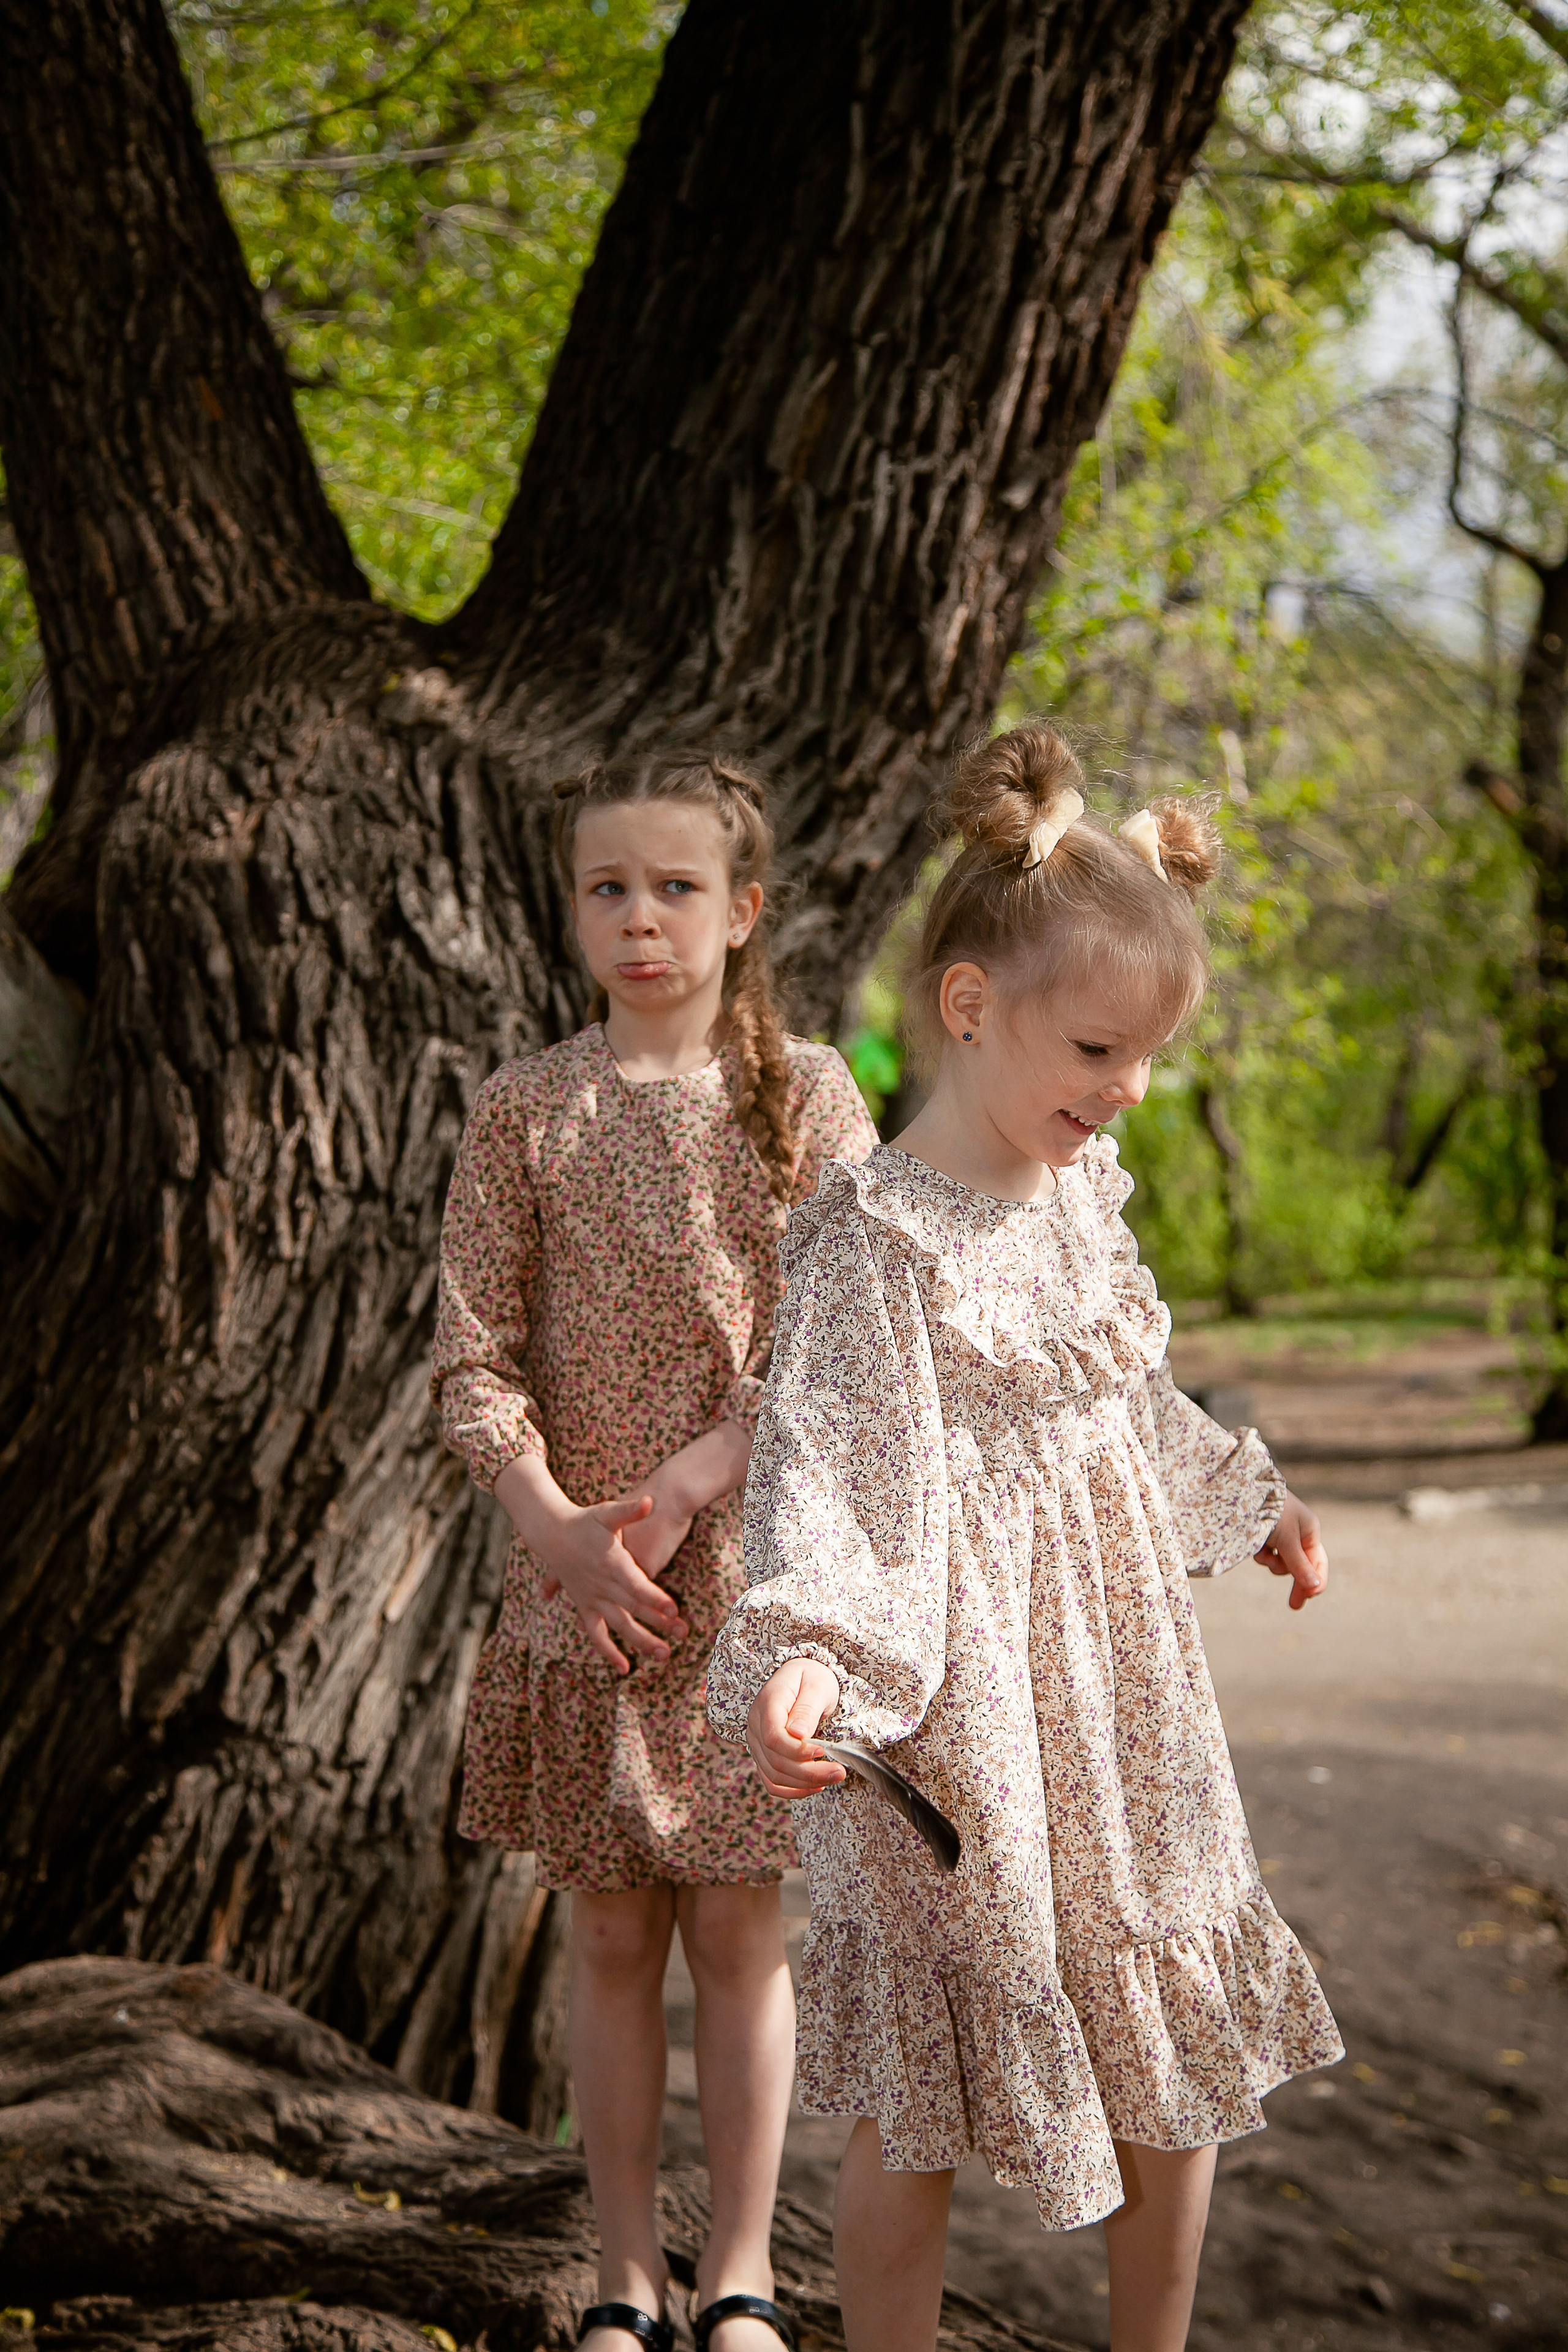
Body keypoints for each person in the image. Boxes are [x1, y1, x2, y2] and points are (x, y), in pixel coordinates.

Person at [707, 723, 1343, 2352]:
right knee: (926, 2089)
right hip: (966, 1709)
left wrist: (1246, 1496)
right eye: (1096, 1051)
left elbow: (1126, 1402)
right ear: (973, 1006)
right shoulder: (876, 1237)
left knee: (1170, 2036)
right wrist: (807, 1657)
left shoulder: (1083, 1196)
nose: (1126, 1090)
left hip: (1124, 1695)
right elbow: (832, 1466)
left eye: (1148, 1059)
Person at [432, 753, 878, 2352]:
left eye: (676, 887)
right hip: (583, 1592)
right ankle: (623, 2275)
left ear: (743, 911)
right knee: (611, 1927)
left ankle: (739, 2272)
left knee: (741, 1926)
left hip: (745, 1571)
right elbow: (472, 1354)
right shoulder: (527, 1109)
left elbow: (841, 1335)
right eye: (607, 887)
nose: (639, 917)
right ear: (573, 908)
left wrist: (695, 1483)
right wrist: (554, 1526)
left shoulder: (805, 1094)